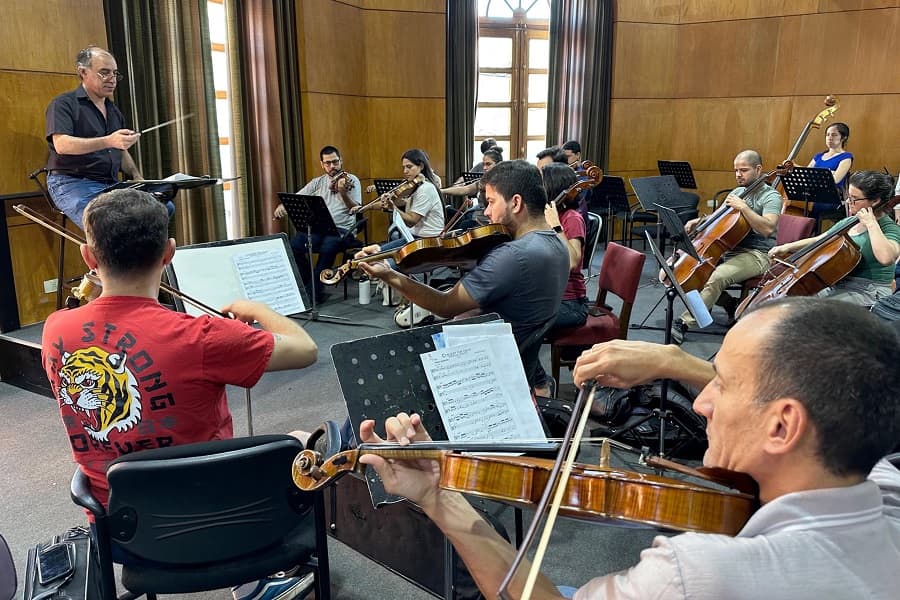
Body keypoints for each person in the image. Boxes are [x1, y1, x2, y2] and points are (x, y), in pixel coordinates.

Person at [360, 297, 900, 599]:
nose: (703, 401)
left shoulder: (697, 576)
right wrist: (670, 359)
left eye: (723, 382)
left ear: (783, 426)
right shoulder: (885, 490)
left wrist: (439, 499)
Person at [41, 189, 319, 600]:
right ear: (169, 252)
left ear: (88, 257)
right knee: (300, 442)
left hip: (125, 529)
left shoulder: (55, 330)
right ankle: (257, 579)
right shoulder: (202, 335)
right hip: (230, 516)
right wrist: (258, 311)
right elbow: (306, 350)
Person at [359, 160, 569, 388]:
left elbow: (445, 305)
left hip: (485, 369)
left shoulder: (512, 256)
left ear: (516, 202)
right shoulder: (557, 243)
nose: (487, 212)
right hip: (519, 363)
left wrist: (390, 275)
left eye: (490, 202)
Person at [672, 150, 781, 343]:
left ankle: (684, 322)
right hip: (730, 249)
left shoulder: (771, 196)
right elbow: (718, 217)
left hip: (757, 254)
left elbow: (768, 228)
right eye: (736, 170)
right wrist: (698, 221)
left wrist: (744, 208)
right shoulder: (737, 192)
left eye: (744, 170)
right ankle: (731, 304)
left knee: (717, 277)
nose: (738, 174)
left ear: (758, 169)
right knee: (697, 274)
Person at [45, 46, 146, 230]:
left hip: (109, 183)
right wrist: (109, 140)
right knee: (106, 226)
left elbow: (120, 150)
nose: (112, 79)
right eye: (104, 73)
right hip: (72, 182)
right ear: (83, 72)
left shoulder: (114, 111)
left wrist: (137, 176)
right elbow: (62, 145)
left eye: (115, 74)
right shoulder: (63, 104)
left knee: (159, 209)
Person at [769, 170, 900, 307]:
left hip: (868, 291)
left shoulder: (889, 228)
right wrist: (786, 247)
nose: (849, 202)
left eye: (854, 198)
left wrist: (871, 223)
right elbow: (822, 239)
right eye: (848, 196)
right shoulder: (850, 221)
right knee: (792, 302)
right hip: (839, 284)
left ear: (875, 201)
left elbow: (886, 258)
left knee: (816, 310)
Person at [274, 145, 361, 300]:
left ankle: (313, 294)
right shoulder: (318, 182)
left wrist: (343, 192)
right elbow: (297, 197)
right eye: (328, 163)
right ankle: (311, 282)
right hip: (320, 228)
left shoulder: (351, 180)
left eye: (335, 162)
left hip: (343, 229)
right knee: (293, 246)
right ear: (322, 164)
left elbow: (356, 209)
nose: (332, 166)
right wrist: (282, 206)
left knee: (328, 247)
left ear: (341, 161)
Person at [533, 163, 588, 396]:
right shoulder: (546, 217)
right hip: (550, 297)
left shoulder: (571, 218)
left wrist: (556, 225)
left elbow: (573, 261)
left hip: (570, 303)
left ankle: (542, 382)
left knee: (520, 326)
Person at [357, 148, 445, 253]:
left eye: (409, 167)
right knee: (375, 253)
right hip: (412, 238)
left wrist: (393, 208)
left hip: (427, 242)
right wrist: (367, 207)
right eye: (404, 167)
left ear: (421, 166)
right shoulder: (414, 186)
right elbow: (396, 202)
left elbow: (411, 221)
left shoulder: (426, 189)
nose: (405, 171)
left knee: (380, 263)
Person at [788, 122, 853, 218]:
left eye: (834, 135)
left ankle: (810, 229)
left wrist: (821, 173)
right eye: (827, 135)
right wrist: (793, 165)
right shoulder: (819, 156)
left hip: (829, 198)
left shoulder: (846, 157)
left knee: (813, 206)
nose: (830, 138)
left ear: (844, 138)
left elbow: (836, 180)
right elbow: (807, 172)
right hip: (812, 194)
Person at [441, 146, 503, 230]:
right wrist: (442, 191)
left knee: (464, 225)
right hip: (478, 217)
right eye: (483, 164)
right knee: (460, 221)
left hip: (489, 221)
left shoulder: (503, 183)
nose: (484, 168)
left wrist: (483, 191)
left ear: (498, 165)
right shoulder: (483, 181)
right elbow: (466, 189)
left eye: (488, 164)